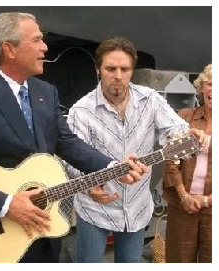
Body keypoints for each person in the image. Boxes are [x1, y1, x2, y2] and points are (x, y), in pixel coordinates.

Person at [0, 13, 146, 263]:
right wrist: (8, 204)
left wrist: (112, 166)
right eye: (37, 40)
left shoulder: (45, 92)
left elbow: (67, 143)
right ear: (9, 49)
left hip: (44, 232)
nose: (45, 47)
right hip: (1, 236)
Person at [66, 37, 206, 263]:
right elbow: (70, 159)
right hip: (95, 208)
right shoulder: (81, 111)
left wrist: (186, 135)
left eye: (125, 69)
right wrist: (90, 186)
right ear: (98, 69)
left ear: (132, 70)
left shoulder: (150, 99)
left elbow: (174, 128)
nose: (118, 76)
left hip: (137, 207)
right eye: (111, 68)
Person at [163, 64, 212, 263]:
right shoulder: (185, 117)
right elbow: (170, 158)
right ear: (201, 87)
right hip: (182, 206)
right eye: (210, 84)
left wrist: (208, 200)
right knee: (179, 260)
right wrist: (183, 195)